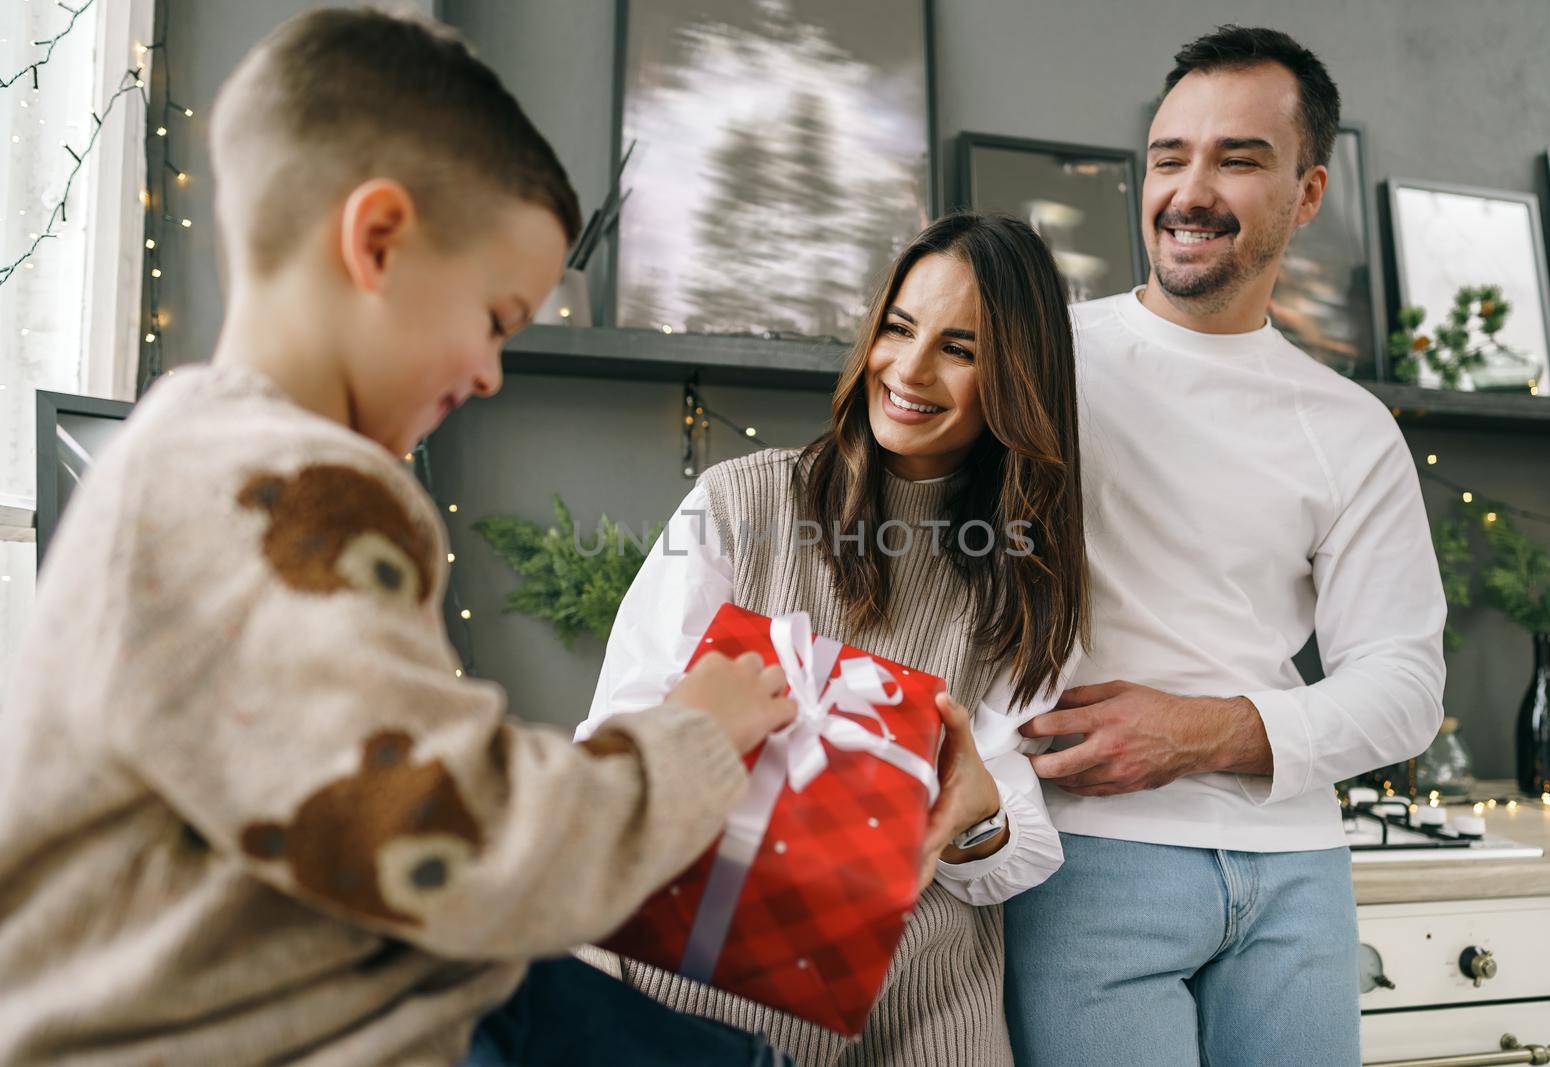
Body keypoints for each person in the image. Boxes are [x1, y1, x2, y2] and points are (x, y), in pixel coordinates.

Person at [0, 10, 798, 1066]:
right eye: (497, 316)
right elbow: (459, 841)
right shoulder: (281, 491)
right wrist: (696, 732)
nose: (490, 371)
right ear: (376, 241)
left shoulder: (188, 456)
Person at [1004, 26, 1447, 1067]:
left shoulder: (1347, 425)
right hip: (1086, 860)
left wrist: (1202, 731)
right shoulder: (1041, 362)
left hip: (1299, 877)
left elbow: (1404, 684)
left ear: (1305, 192)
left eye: (1237, 158)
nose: (1189, 190)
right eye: (1169, 158)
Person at [575, 212, 1091, 1066]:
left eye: (959, 349)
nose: (910, 369)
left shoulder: (1029, 573)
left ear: (1017, 378)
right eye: (898, 328)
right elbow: (616, 735)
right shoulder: (741, 502)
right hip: (705, 968)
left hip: (923, 991)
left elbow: (1013, 851)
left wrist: (973, 816)